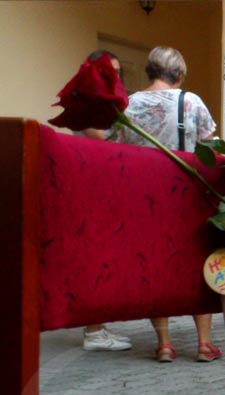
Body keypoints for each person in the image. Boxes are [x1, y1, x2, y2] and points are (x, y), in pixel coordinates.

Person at [113, 46, 220, 363]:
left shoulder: (128, 105)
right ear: (180, 75)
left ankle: (164, 344)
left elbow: (116, 151)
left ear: (149, 72)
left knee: (155, 266)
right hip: (185, 197)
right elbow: (210, 151)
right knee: (197, 266)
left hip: (144, 198)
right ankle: (204, 343)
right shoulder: (190, 102)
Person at [74, 50, 133, 353]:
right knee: (94, 257)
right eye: (109, 71)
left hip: (105, 185)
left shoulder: (106, 102)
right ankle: (93, 332)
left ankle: (97, 326)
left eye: (118, 72)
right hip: (90, 186)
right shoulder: (88, 102)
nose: (115, 77)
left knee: (104, 257)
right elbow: (99, 138)